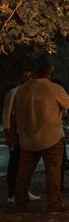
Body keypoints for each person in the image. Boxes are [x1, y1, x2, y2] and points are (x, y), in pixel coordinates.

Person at [12, 61, 69, 211]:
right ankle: (54, 202)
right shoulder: (54, 88)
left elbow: (14, 115)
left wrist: (13, 133)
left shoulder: (22, 90)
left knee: (24, 171)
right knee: (53, 171)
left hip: (28, 137)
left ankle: (20, 201)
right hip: (51, 136)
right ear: (50, 73)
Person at [2, 67, 40, 203]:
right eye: (25, 76)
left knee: (26, 164)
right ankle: (13, 192)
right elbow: (7, 114)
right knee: (15, 163)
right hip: (17, 133)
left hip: (28, 133)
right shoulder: (13, 93)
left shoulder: (32, 93)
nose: (28, 79)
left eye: (30, 76)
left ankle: (24, 190)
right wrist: (8, 132)